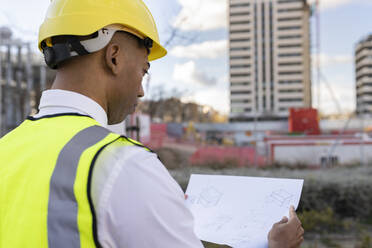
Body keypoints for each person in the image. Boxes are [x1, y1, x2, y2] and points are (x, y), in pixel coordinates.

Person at [0, 0, 304, 247]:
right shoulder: (124, 166)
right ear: (114, 57)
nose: (142, 90)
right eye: (144, 70)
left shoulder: (7, 148)